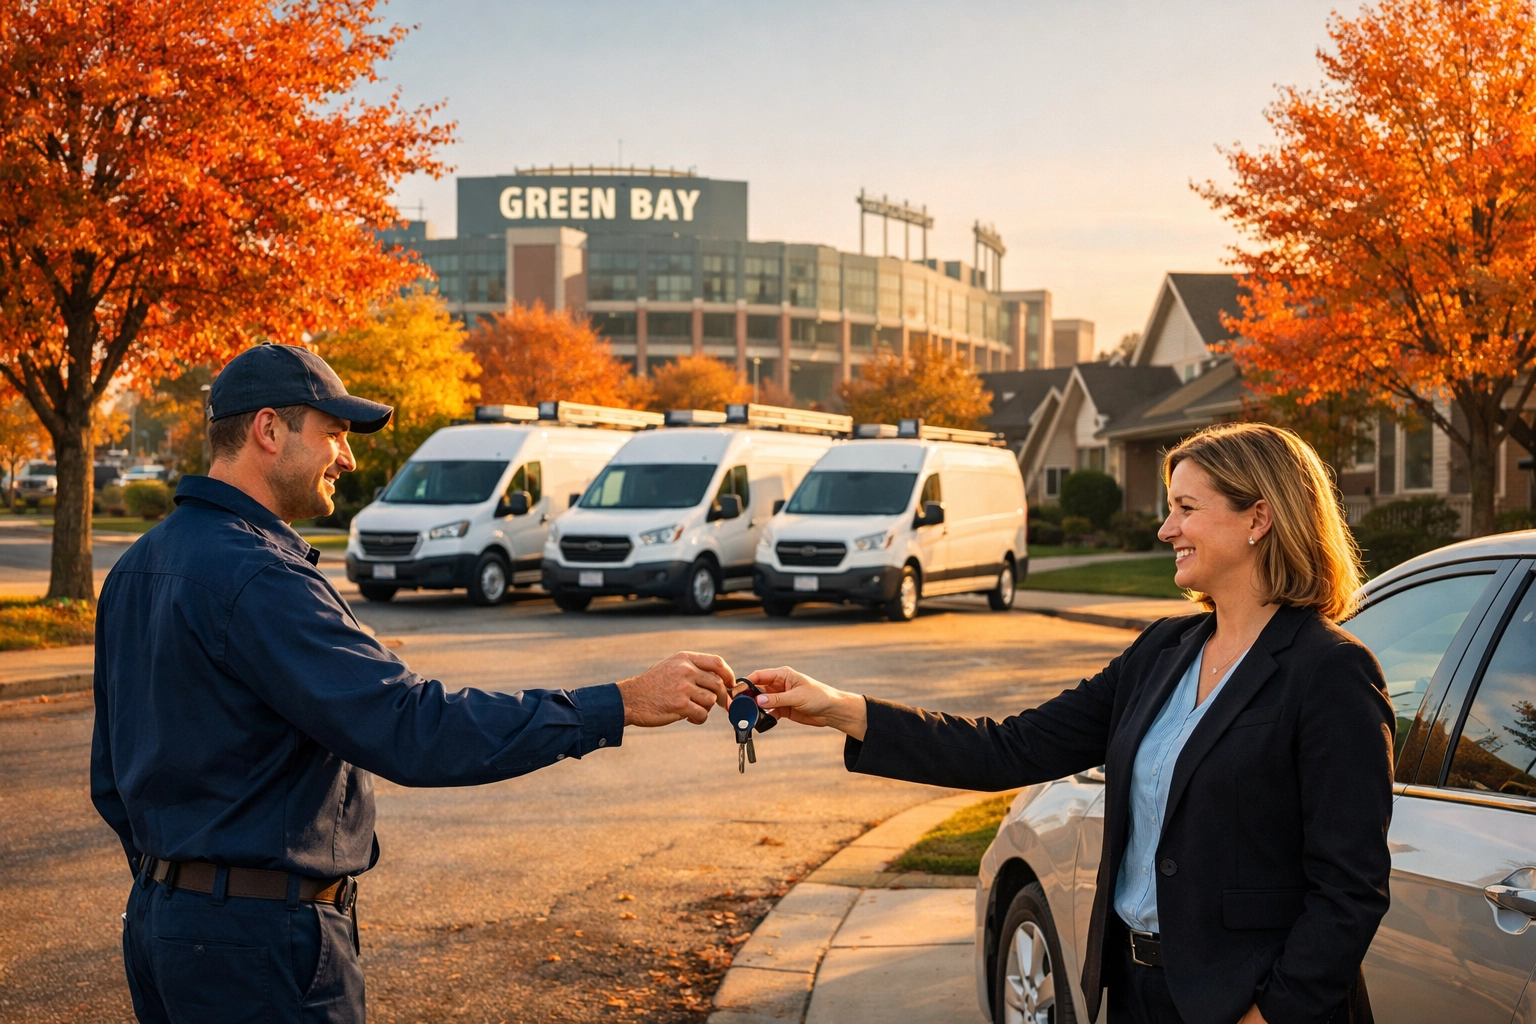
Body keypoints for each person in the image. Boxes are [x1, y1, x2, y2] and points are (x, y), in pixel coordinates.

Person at [91, 343, 736, 1024]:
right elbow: (413, 727)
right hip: (259, 947)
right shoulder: (260, 577)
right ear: (269, 430)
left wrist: (180, 888)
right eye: (335, 434)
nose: (349, 458)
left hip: (163, 930)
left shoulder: (138, 566)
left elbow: (112, 777)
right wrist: (617, 704)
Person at [746, 422, 1393, 1024]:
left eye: (1186, 509)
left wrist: (1270, 1017)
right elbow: (1009, 749)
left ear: (1259, 516)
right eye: (1170, 508)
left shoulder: (1329, 672)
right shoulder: (1161, 653)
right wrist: (840, 709)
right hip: (1137, 993)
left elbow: (1348, 888)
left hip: (1250, 1004)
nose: (1166, 530)